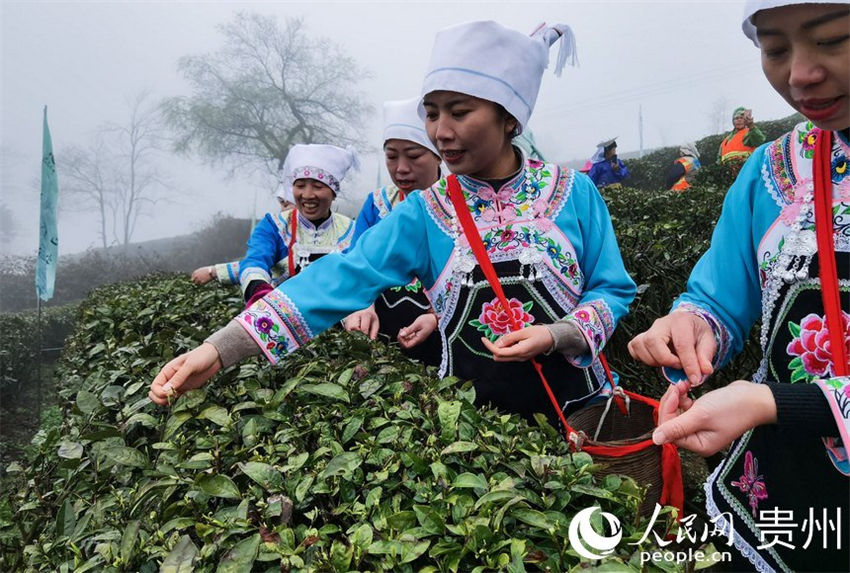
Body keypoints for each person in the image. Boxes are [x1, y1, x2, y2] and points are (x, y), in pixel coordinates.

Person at [150, 20, 636, 428]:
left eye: (460, 112)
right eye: (431, 113)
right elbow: (338, 278)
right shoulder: (425, 212)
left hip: (582, 412)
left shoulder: (574, 193)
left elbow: (612, 289)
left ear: (510, 118)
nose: (441, 131)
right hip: (477, 430)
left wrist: (559, 334)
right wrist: (220, 350)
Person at [628, 2, 849, 570]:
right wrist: (692, 327)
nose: (800, 74)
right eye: (775, 49)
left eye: (834, 39)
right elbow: (721, 296)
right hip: (785, 499)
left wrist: (776, 401)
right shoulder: (775, 168)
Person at [343, 98, 444, 366]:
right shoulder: (377, 204)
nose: (400, 168)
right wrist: (362, 306)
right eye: (391, 156)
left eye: (413, 156)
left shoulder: (460, 204)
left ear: (438, 154)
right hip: (385, 335)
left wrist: (437, 318)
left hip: (445, 337)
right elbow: (357, 264)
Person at [228, 144, 356, 305]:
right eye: (300, 185)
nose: (308, 195)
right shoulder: (274, 226)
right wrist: (260, 292)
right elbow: (255, 261)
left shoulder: (352, 230)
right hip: (282, 313)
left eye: (318, 186)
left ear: (333, 192)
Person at [190, 184, 295, 287]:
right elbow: (256, 263)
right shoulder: (273, 227)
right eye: (282, 203)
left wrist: (213, 271)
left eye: (288, 203)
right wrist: (214, 271)